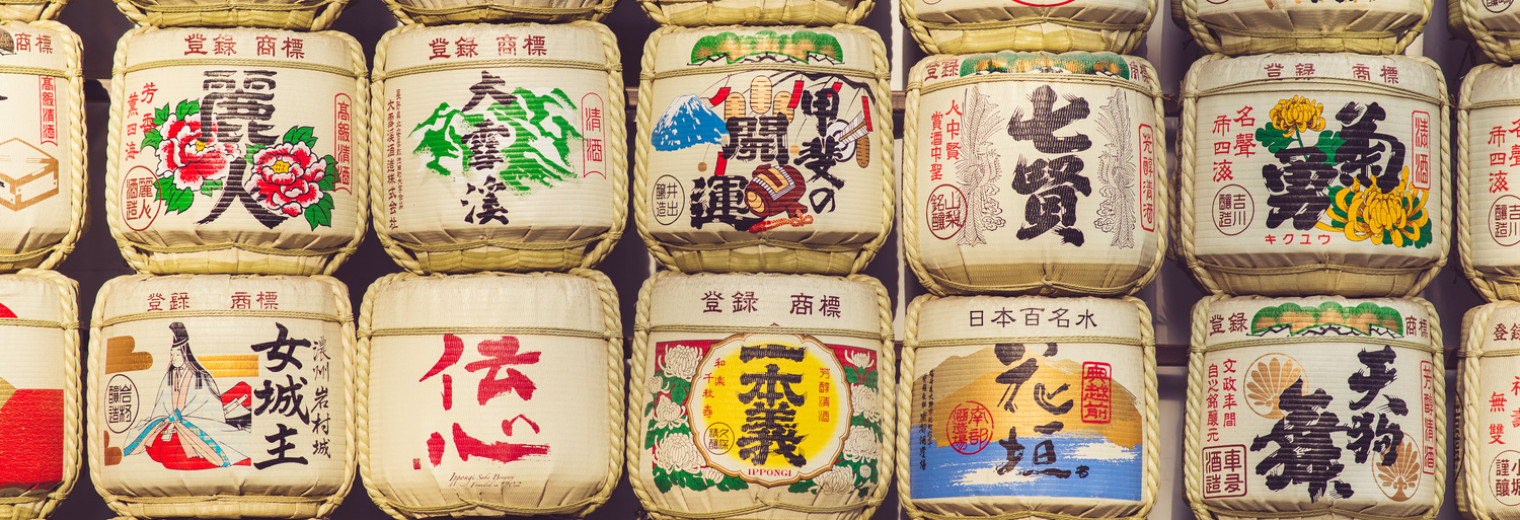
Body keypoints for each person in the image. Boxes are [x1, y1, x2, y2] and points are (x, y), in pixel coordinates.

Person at [122, 322, 253, 470]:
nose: (174, 358)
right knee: (155, 447)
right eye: (172, 354)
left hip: (193, 426)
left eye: (177, 354)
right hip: (170, 426)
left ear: (186, 354)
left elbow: (207, 409)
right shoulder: (169, 378)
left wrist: (181, 421)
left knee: (175, 453)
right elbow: (161, 407)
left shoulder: (200, 378)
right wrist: (164, 420)